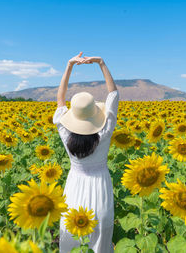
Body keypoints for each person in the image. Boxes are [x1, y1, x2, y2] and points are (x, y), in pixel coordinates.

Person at [53, 52, 119, 253]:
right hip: (100, 185)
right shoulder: (105, 131)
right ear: (94, 113)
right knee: (100, 233)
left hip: (75, 185)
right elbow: (113, 95)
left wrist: (69, 65)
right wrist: (101, 63)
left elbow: (60, 99)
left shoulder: (65, 133)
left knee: (71, 233)